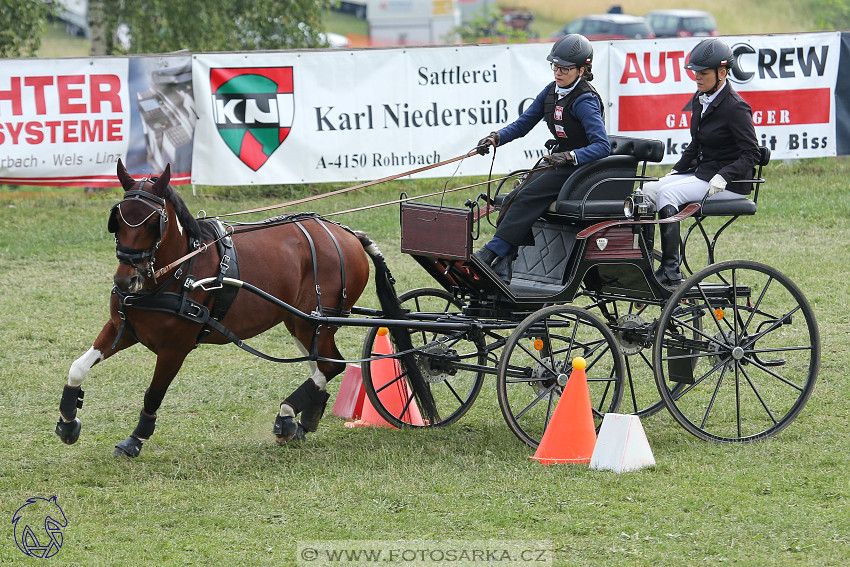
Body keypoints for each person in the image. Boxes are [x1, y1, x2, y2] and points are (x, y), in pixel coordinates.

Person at [472, 34, 610, 283]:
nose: (558, 73)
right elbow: (524, 123)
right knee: (514, 194)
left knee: (527, 196)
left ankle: (491, 252)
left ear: (582, 69)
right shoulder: (551, 91)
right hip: (560, 161)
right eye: (555, 67)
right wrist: (496, 138)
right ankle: (505, 261)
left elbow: (602, 146)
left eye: (565, 69)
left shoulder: (585, 100)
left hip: (581, 168)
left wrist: (570, 156)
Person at [642, 37, 760, 287]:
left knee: (668, 196)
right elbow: (696, 143)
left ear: (722, 72)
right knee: (647, 191)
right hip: (702, 174)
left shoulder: (736, 108)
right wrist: (675, 171)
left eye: (703, 73)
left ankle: (671, 269)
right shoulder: (700, 98)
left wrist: (725, 175)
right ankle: (643, 262)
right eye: (695, 72)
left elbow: (751, 153)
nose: (697, 77)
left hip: (727, 184)